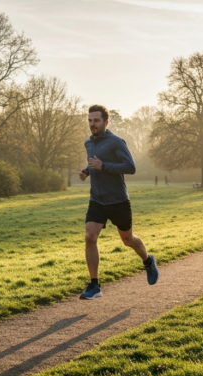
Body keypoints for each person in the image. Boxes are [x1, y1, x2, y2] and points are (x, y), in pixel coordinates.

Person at [77, 105, 159, 300]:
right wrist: (87, 171)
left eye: (96, 121)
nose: (92, 124)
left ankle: (148, 261)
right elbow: (94, 162)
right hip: (97, 200)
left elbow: (130, 167)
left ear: (106, 122)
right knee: (90, 236)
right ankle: (94, 285)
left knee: (127, 240)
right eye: (90, 121)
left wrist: (103, 166)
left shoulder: (116, 142)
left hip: (118, 201)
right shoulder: (88, 143)